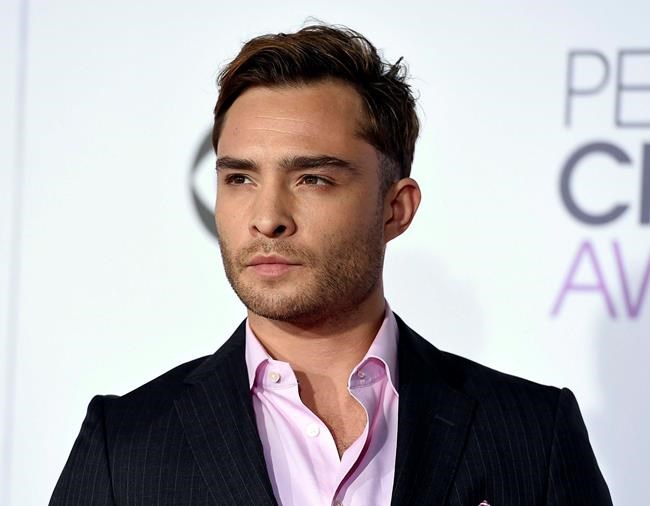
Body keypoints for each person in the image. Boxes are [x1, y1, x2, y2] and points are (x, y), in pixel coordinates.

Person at [50, 24, 612, 505]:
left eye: (313, 179)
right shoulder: (125, 445)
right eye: (240, 178)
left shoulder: (531, 433)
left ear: (395, 208)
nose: (267, 218)